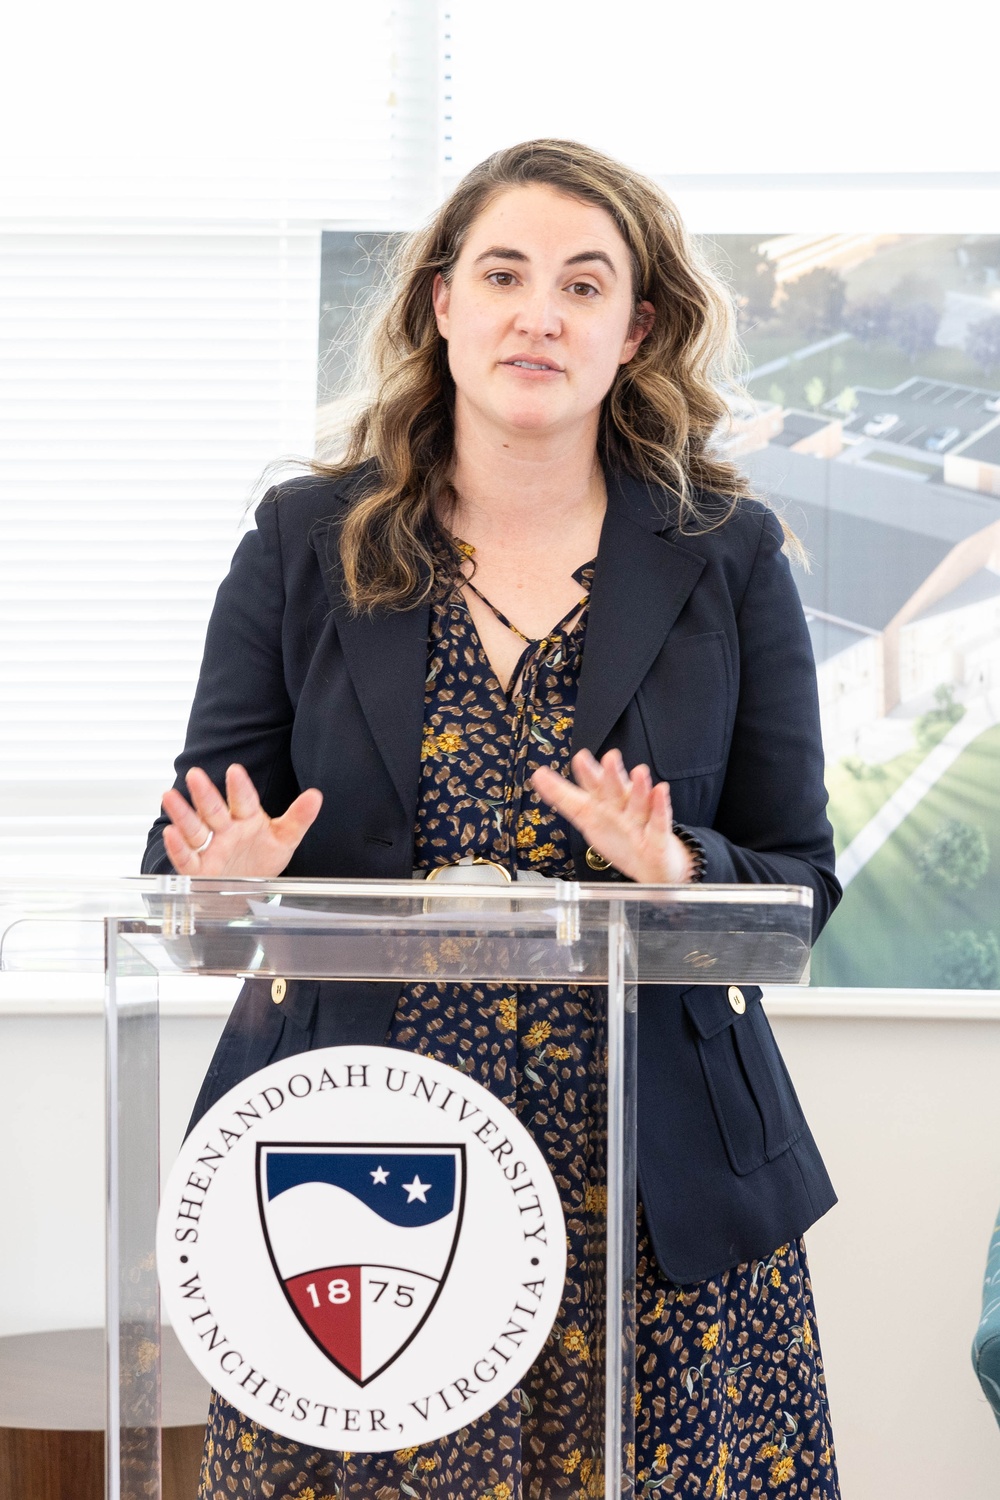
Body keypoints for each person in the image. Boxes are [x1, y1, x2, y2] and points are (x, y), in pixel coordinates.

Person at [144, 139, 842, 1499]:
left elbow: (800, 888)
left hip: (647, 1192)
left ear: (634, 332)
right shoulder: (304, 541)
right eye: (505, 274)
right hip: (362, 1169)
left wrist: (679, 865)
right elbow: (187, 875)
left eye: (585, 286)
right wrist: (222, 880)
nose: (541, 313)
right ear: (440, 306)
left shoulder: (728, 552)